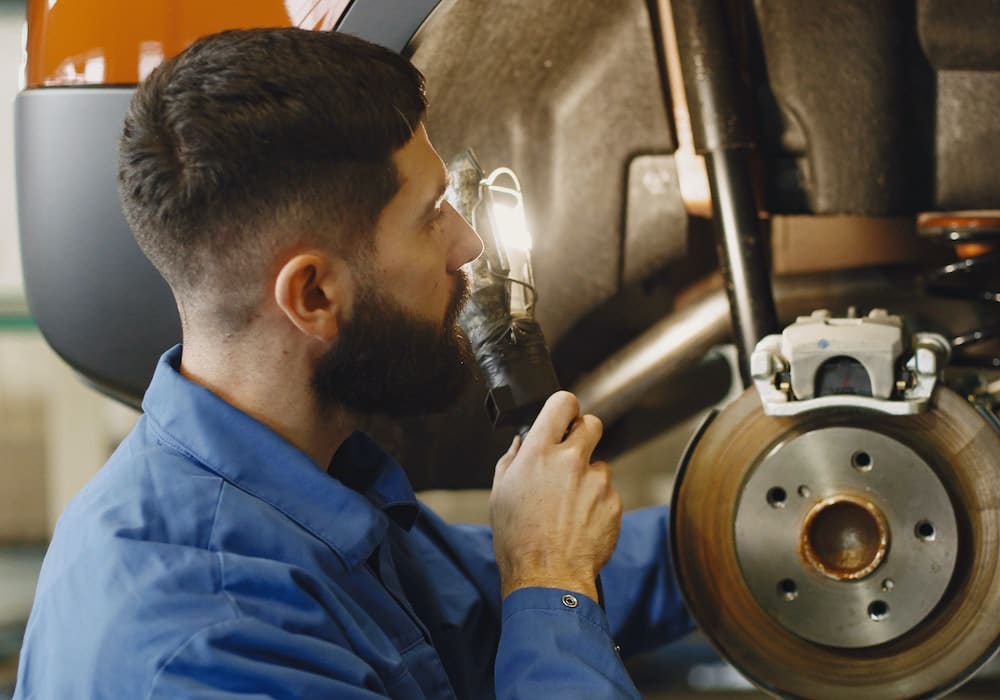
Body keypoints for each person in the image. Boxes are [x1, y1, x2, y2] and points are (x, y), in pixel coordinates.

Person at [14, 28, 691, 699]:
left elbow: (494, 592)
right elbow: (539, 580)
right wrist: (551, 574)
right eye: (430, 216)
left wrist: (749, 513)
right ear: (313, 295)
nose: (466, 242)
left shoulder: (313, 483)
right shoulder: (207, 640)